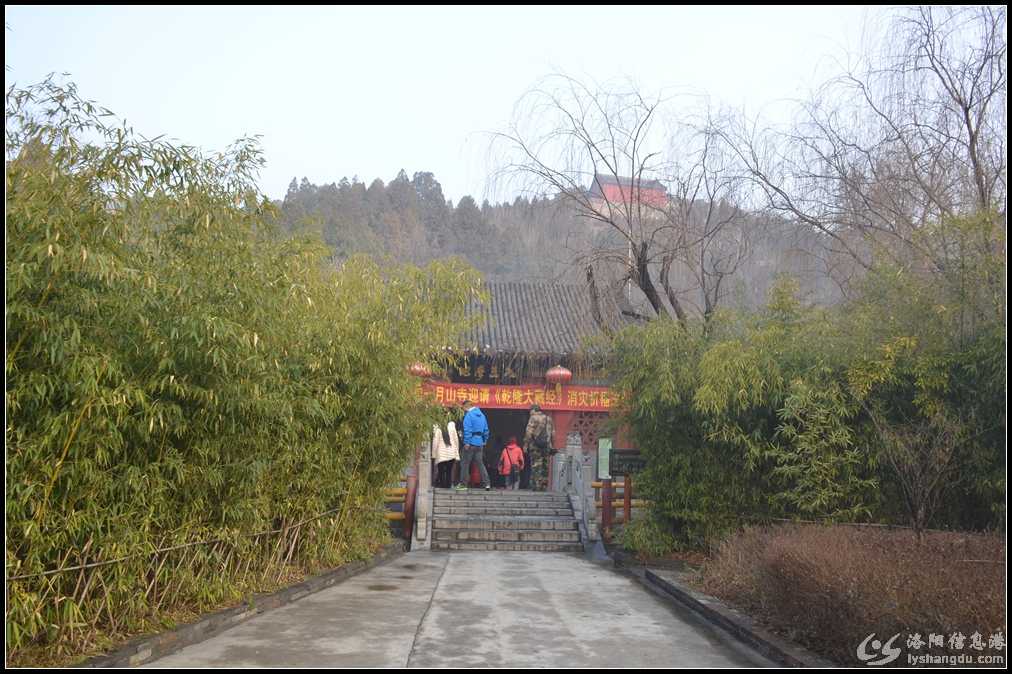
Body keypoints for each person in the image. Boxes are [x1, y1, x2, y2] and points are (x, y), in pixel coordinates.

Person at [455, 399, 491, 491]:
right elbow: (486, 430)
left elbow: (467, 430)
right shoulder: (482, 415)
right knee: (480, 464)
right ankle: (487, 483)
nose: (463, 411)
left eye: (463, 409)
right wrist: (485, 440)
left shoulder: (469, 415)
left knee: (465, 463)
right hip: (480, 443)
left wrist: (466, 442)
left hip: (470, 443)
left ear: (466, 406)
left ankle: (463, 484)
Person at [523, 404, 554, 491]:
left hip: (535, 446)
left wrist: (525, 445)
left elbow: (528, 432)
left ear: (534, 410)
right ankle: (544, 486)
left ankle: (536, 486)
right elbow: (553, 433)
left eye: (530, 411)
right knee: (545, 466)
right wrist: (552, 446)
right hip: (546, 446)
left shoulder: (533, 418)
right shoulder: (549, 419)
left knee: (536, 465)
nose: (530, 413)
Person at [431, 420, 459, 489]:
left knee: (441, 471)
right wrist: (457, 451)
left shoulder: (437, 426)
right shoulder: (452, 426)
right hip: (451, 452)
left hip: (441, 454)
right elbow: (456, 440)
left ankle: (442, 485)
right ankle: (448, 485)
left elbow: (435, 441)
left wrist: (433, 454)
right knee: (449, 471)